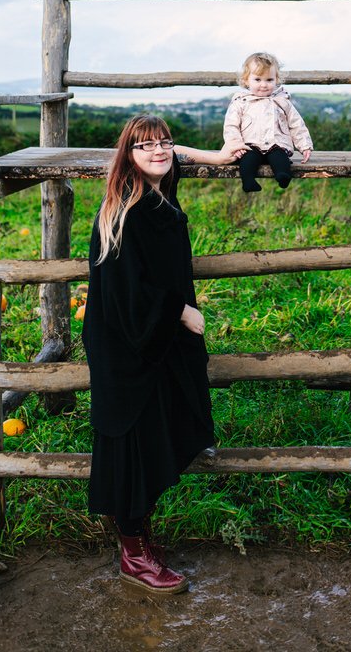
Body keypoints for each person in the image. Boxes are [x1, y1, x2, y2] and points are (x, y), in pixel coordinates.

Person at [82, 114, 245, 594]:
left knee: (156, 436)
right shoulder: (125, 212)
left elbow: (175, 154)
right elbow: (123, 290)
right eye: (144, 145)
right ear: (126, 157)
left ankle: (141, 539)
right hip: (125, 344)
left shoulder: (159, 197)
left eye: (164, 143)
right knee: (132, 444)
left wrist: (210, 154)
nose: (158, 151)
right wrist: (179, 311)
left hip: (152, 339)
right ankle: (133, 554)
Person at [223, 51, 313, 193]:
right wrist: (236, 145)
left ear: (276, 79)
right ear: (246, 80)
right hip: (249, 145)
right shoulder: (241, 102)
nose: (264, 85)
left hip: (276, 143)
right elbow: (231, 126)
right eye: (258, 80)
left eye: (269, 80)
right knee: (248, 160)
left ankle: (283, 175)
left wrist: (304, 145)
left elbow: (296, 125)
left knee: (280, 157)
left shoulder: (282, 101)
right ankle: (248, 181)